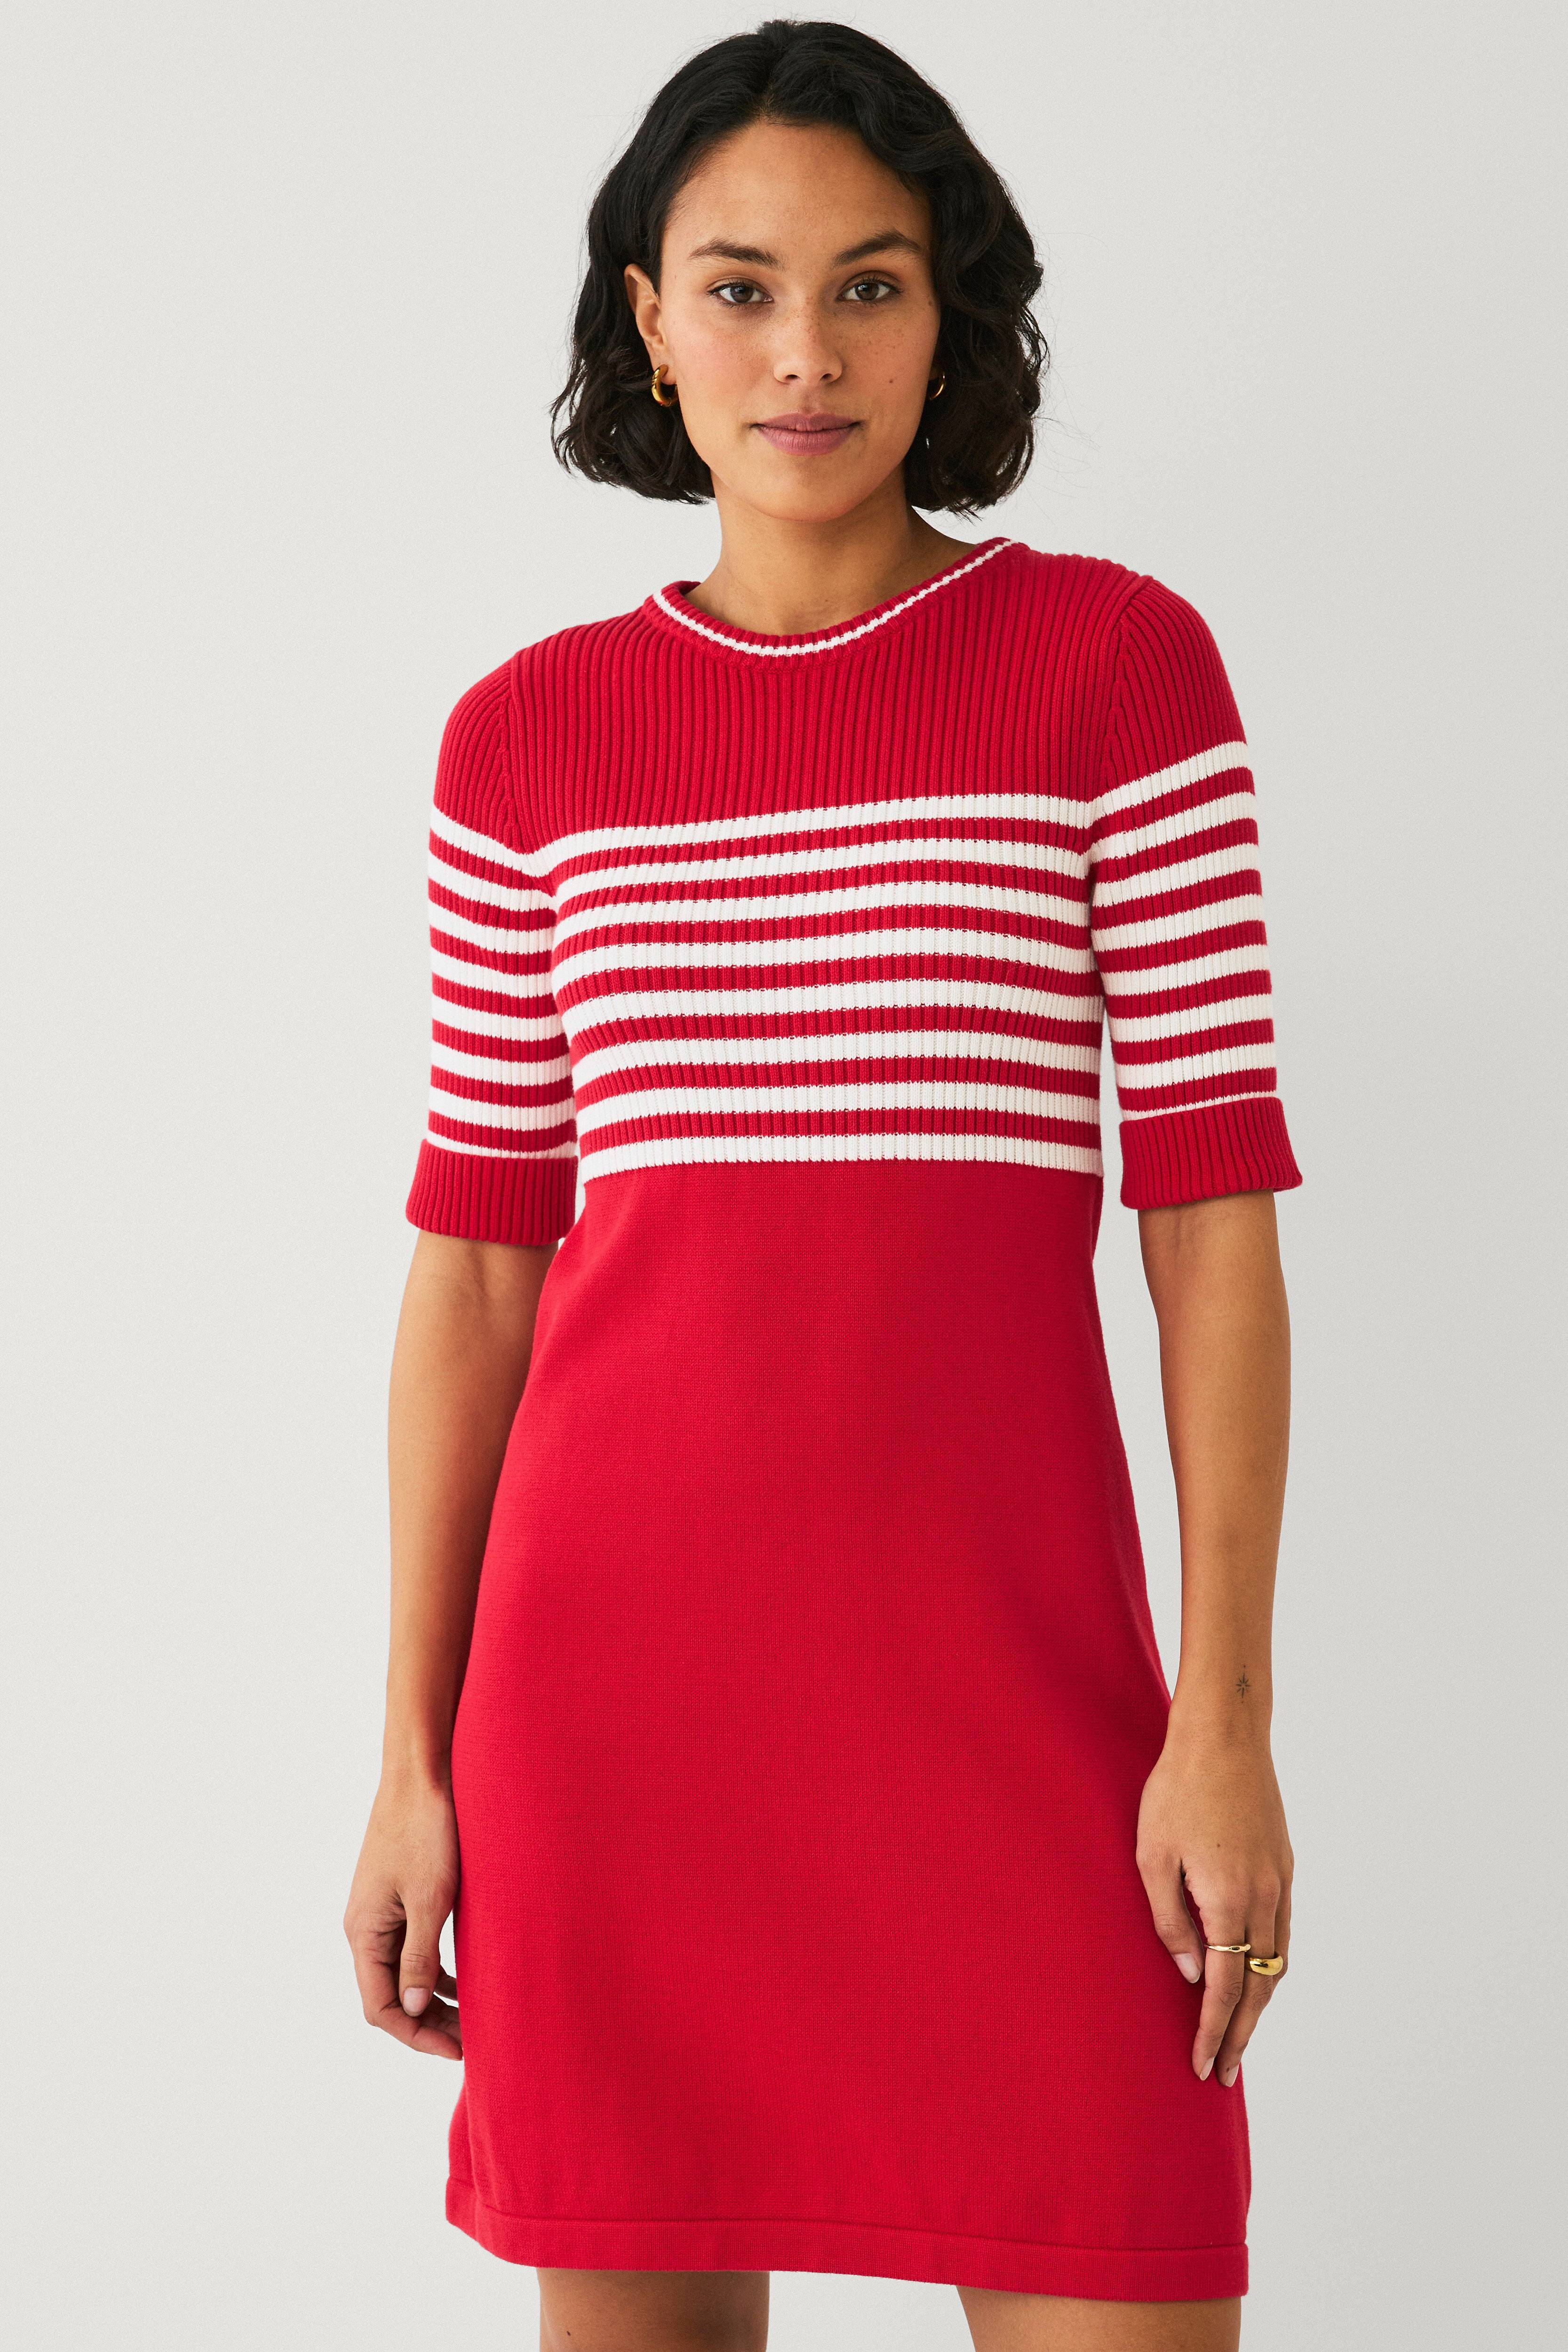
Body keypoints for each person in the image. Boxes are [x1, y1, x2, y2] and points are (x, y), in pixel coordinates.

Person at [343, 20, 1301, 2352]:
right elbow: (477, 1274)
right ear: (648, 322)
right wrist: (410, 1755)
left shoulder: (1112, 671)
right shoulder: (528, 743)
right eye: (742, 287)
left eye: (871, 285)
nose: (806, 352)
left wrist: (1226, 1718)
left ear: (949, 314)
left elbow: (1212, 1233)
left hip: (1027, 1711)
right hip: (612, 1717)